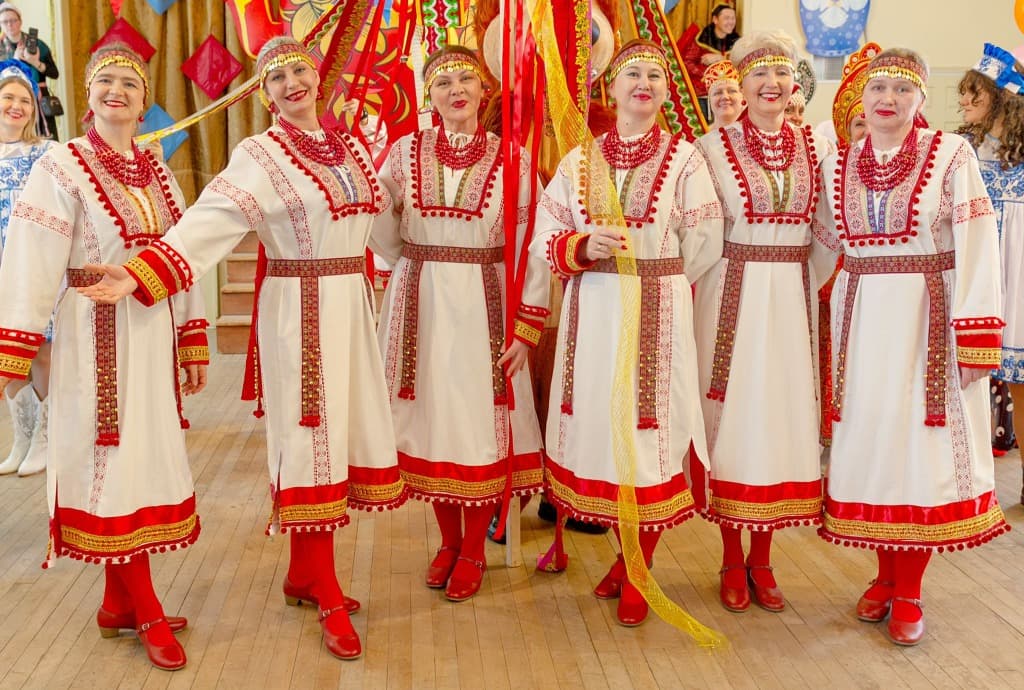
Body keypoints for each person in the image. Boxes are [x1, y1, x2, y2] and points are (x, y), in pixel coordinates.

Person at [78, 36, 406, 662]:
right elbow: (209, 221)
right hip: (301, 312)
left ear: (319, 76)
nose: (290, 83)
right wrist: (144, 273)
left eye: (298, 70)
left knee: (343, 436)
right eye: (275, 77)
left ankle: (304, 574)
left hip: (352, 306)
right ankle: (324, 587)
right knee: (309, 440)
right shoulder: (259, 155)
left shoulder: (352, 147)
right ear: (264, 94)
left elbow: (382, 227)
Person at [0, 44, 207, 671]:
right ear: (87, 96)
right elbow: (31, 258)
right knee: (111, 463)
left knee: (139, 462)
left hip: (151, 333)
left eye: (129, 83)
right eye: (104, 81)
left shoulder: (159, 172)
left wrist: (192, 335)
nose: (116, 90)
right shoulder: (61, 165)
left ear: (145, 104)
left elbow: (182, 253)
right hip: (93, 336)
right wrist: (15, 349)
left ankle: (118, 604)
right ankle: (145, 606)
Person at [816, 48, 1010, 646]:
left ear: (921, 99)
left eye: (903, 89)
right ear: (860, 97)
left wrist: (977, 335)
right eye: (878, 88)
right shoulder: (837, 163)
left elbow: (979, 240)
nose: (888, 99)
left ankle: (909, 588)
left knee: (919, 452)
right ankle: (882, 575)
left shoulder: (950, 155)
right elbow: (821, 246)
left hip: (930, 322)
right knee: (873, 445)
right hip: (860, 321)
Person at [526, 39, 723, 627]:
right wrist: (582, 245)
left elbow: (704, 242)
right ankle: (623, 556)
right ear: (609, 88)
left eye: (655, 76)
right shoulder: (578, 161)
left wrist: (657, 275)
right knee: (599, 431)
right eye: (632, 73)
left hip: (656, 312)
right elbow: (545, 235)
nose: (644, 83)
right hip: (593, 312)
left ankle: (640, 565)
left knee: (647, 431)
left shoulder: (686, 160)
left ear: (666, 92)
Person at [370, 45, 544, 604]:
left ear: (484, 91)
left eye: (466, 79)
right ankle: (448, 540)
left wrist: (526, 325)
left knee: (476, 425)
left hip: (485, 305)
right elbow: (379, 223)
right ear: (429, 96)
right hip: (420, 301)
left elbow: (533, 245)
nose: (456, 90)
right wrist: (409, 265)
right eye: (443, 82)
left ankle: (473, 547)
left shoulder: (512, 158)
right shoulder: (404, 152)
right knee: (430, 420)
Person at [693, 29, 830, 615]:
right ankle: (731, 555)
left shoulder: (816, 148)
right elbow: (696, 231)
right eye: (758, 74)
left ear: (796, 83)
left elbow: (828, 232)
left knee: (780, 420)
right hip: (729, 294)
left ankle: (765, 557)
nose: (771, 84)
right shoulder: (707, 149)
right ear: (740, 85)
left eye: (781, 73)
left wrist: (801, 283)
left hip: (791, 298)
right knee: (734, 421)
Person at [958, 43, 1024, 467]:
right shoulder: (960, 149)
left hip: (1018, 272)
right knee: (968, 377)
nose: (964, 101)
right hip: (976, 270)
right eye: (963, 93)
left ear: (1001, 98)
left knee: (1021, 381)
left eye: (974, 93)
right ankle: (968, 473)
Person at [0, 60, 52, 476]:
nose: (16, 106)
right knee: (8, 352)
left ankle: (46, 439)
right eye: (8, 98)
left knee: (41, 350)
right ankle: (22, 437)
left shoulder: (46, 153)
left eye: (24, 100)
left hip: (35, 262)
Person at [0, 3, 59, 139]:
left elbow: (54, 73)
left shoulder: (38, 45)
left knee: (46, 140)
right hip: (11, 102)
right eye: (4, 22)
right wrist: (15, 61)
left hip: (40, 100)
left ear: (20, 21)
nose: (9, 25)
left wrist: (35, 62)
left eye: (13, 20)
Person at [682, 2, 740, 120]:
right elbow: (687, 63)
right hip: (703, 94)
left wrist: (722, 58)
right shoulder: (703, 39)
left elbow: (742, 64)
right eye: (726, 18)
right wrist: (709, 74)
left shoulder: (736, 41)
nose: (731, 22)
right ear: (715, 19)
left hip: (728, 96)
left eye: (733, 18)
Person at [703, 58, 743, 130]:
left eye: (732, 91)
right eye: (717, 93)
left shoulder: (761, 132)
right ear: (709, 100)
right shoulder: (700, 136)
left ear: (743, 97)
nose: (725, 97)